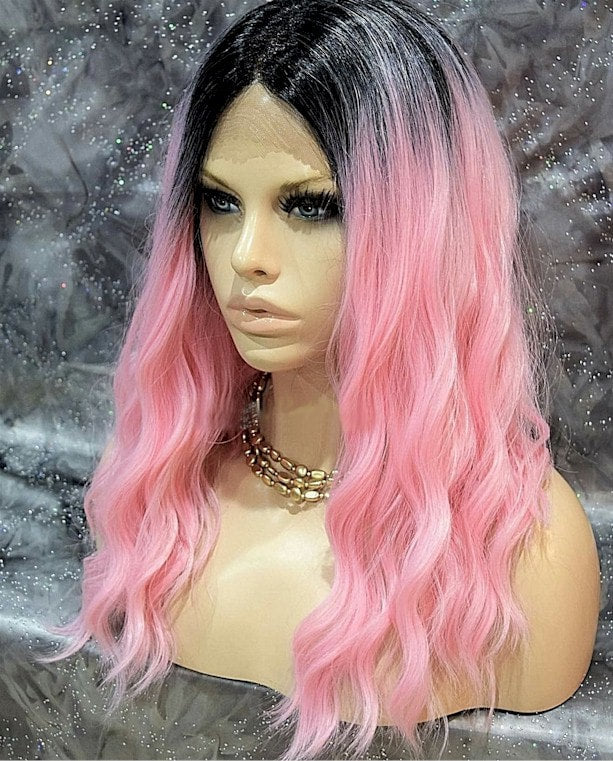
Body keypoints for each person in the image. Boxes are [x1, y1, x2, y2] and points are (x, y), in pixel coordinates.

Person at [37, 0, 601, 759]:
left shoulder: (529, 552)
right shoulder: (157, 487)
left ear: (424, 224)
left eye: (310, 206)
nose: (247, 255)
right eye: (220, 201)